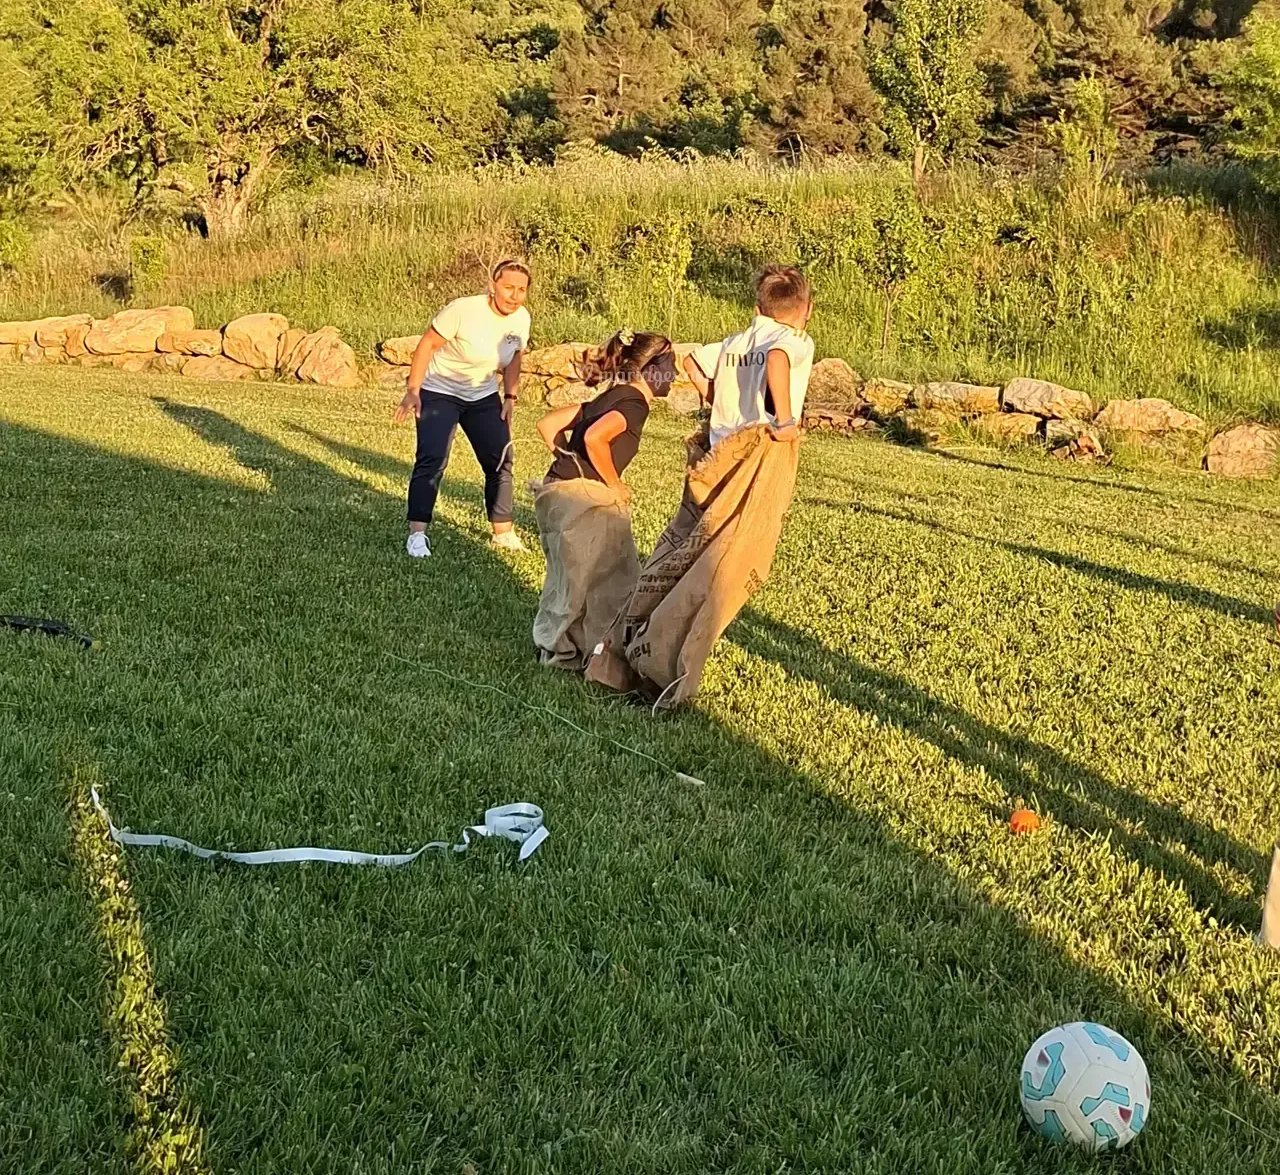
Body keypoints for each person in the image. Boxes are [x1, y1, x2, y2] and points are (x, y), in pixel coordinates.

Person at [530, 331, 676, 669]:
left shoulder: (606, 397)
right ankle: (572, 653)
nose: (676, 375)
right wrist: (614, 483)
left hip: (557, 490)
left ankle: (560, 645)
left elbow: (547, 424)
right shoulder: (635, 403)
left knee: (566, 579)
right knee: (603, 580)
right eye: (671, 366)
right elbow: (596, 437)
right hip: (583, 499)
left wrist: (568, 457)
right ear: (652, 369)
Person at [393, 259, 532, 558]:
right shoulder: (463, 310)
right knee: (433, 459)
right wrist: (413, 390)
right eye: (508, 288)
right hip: (439, 392)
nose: (514, 296)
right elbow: (427, 345)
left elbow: (514, 358)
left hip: (482, 397)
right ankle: (417, 535)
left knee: (501, 459)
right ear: (493, 285)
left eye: (521, 290)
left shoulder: (521, 318)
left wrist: (510, 397)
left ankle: (503, 532)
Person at [682, 264, 814, 447]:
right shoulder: (795, 338)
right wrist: (785, 423)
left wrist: (717, 400)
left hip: (721, 445)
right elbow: (776, 359)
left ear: (757, 310)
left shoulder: (734, 342)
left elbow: (691, 362)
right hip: (763, 445)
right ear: (808, 309)